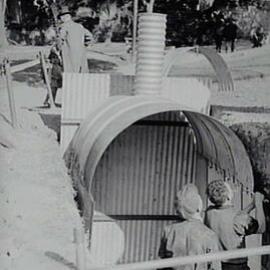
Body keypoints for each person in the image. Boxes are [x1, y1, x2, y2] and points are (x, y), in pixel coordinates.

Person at [205, 180, 266, 270]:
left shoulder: (209, 212)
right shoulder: (239, 219)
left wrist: (252, 205)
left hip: (220, 264)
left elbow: (233, 218)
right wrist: (259, 203)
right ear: (228, 196)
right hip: (238, 266)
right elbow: (261, 228)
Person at [158, 184, 221, 270]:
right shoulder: (209, 235)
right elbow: (214, 267)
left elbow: (161, 264)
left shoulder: (169, 230)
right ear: (198, 207)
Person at [58, 6, 93, 72]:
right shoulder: (79, 26)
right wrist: (84, 45)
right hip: (81, 54)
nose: (60, 19)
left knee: (70, 75)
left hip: (69, 55)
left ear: (64, 17)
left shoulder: (64, 27)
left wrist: (58, 50)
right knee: (81, 74)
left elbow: (60, 41)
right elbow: (90, 36)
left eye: (61, 17)